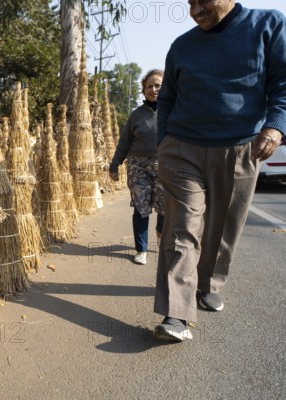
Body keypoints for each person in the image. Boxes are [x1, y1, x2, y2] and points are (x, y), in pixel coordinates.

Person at [153, 0, 286, 341]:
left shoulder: (268, 25)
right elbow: (166, 98)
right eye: (189, 3)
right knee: (182, 228)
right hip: (182, 149)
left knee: (223, 226)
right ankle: (177, 315)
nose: (195, 10)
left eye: (202, 1)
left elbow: (283, 84)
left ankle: (208, 282)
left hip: (241, 147)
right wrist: (164, 142)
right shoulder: (182, 46)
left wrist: (275, 126)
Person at [110, 70, 165, 266]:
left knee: (165, 207)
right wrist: (114, 165)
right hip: (138, 166)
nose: (153, 89)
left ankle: (161, 233)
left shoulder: (174, 112)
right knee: (141, 208)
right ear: (143, 90)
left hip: (165, 165)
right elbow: (124, 142)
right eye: (149, 86)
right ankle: (141, 249)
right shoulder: (136, 115)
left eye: (158, 85)